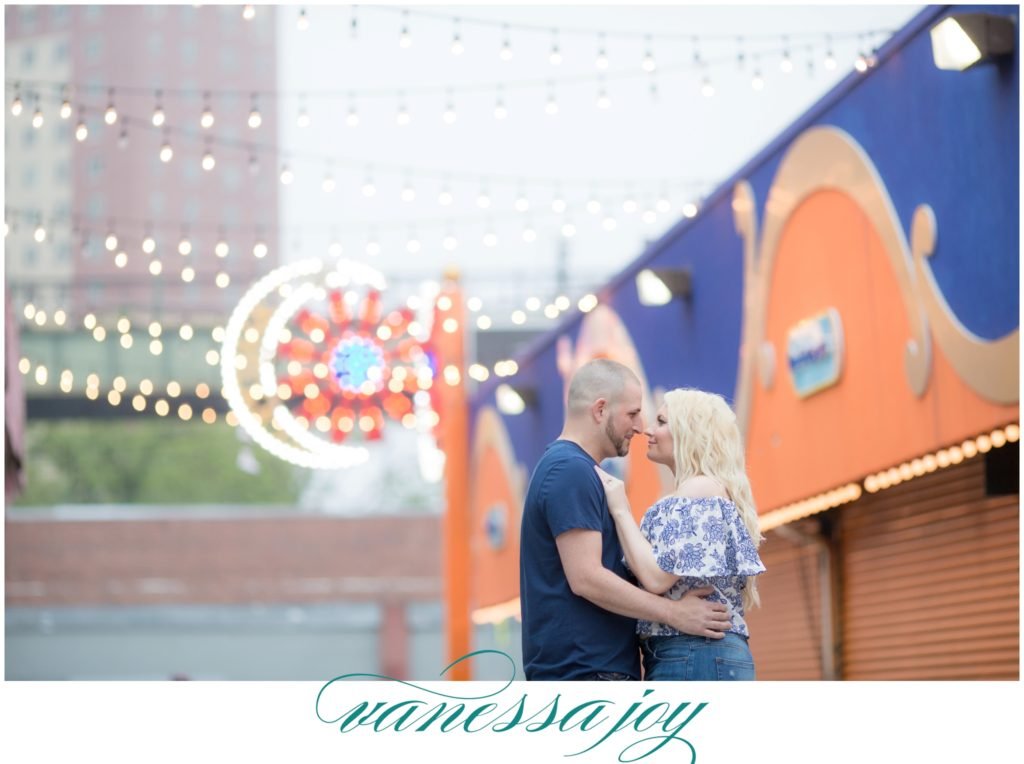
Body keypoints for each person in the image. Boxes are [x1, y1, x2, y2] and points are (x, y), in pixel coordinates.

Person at [519, 360, 732, 681]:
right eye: (632, 413)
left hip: (590, 670)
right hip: (586, 672)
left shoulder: (573, 469)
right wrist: (674, 614)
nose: (639, 426)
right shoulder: (570, 470)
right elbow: (587, 577)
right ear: (600, 409)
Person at [594, 388, 766, 681]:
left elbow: (657, 578)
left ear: (690, 432)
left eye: (661, 421)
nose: (648, 430)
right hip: (697, 653)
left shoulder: (699, 489)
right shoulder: (701, 491)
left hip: (694, 651)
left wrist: (621, 509)